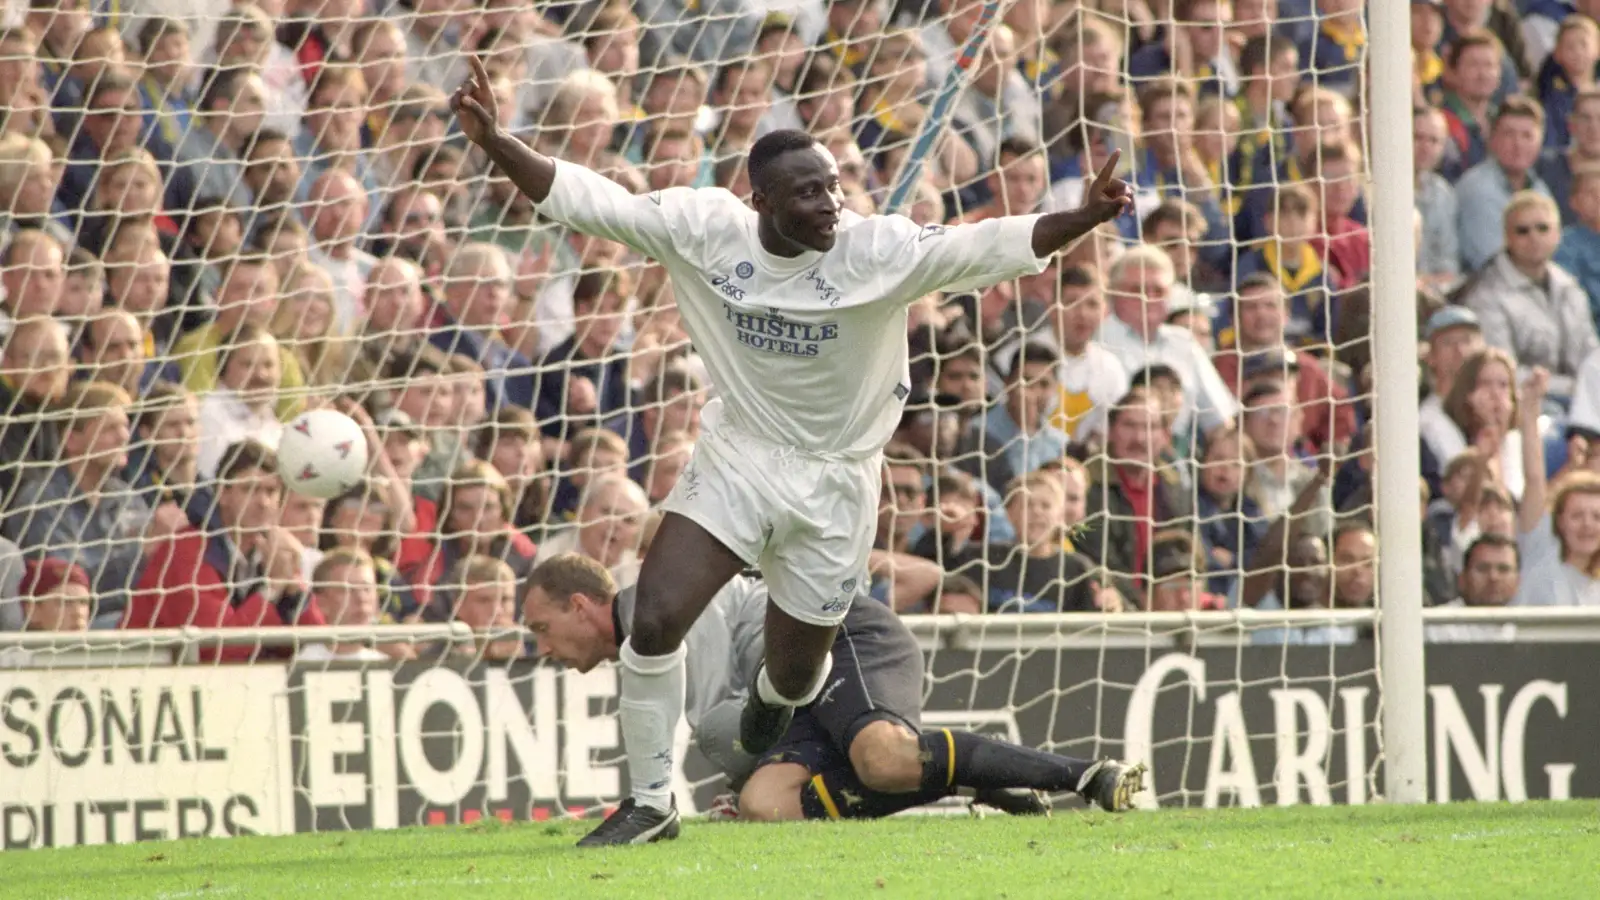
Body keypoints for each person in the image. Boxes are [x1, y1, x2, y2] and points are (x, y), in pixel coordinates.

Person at [452, 55, 1135, 845]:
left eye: (834, 185)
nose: (830, 204)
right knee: (657, 618)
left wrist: (1084, 216)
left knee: (796, 673)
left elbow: (988, 245)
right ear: (760, 202)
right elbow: (595, 202)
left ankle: (775, 700)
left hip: (839, 482)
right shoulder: (706, 229)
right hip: (740, 455)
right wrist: (498, 142)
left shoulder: (876, 250)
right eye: (808, 192)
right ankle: (650, 804)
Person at [522, 554, 1147, 825]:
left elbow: (725, 726)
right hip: (790, 688)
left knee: (883, 758)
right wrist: (743, 789)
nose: (543, 650)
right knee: (767, 806)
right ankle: (969, 777)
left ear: (581, 606)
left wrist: (733, 776)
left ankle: (1087, 776)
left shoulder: (656, 607)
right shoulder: (643, 639)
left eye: (543, 629)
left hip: (835, 636)